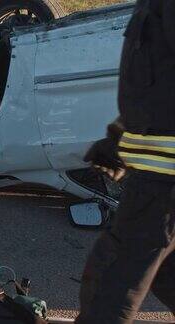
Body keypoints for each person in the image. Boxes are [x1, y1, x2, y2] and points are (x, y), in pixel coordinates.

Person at [75, 1, 175, 323]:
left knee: (111, 283)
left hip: (162, 182)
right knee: (165, 273)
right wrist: (118, 140)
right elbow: (156, 85)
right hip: (159, 175)